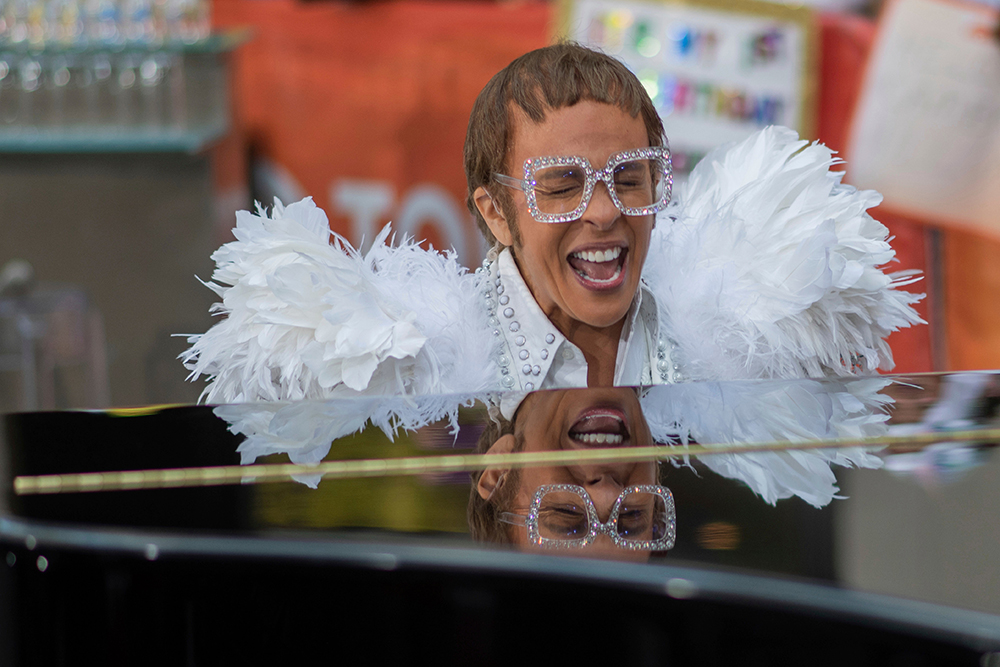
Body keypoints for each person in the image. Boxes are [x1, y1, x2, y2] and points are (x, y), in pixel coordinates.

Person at [182, 43, 923, 411]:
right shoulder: (413, 374)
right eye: (561, 186)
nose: (604, 211)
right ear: (495, 212)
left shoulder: (749, 337)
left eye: (629, 178)